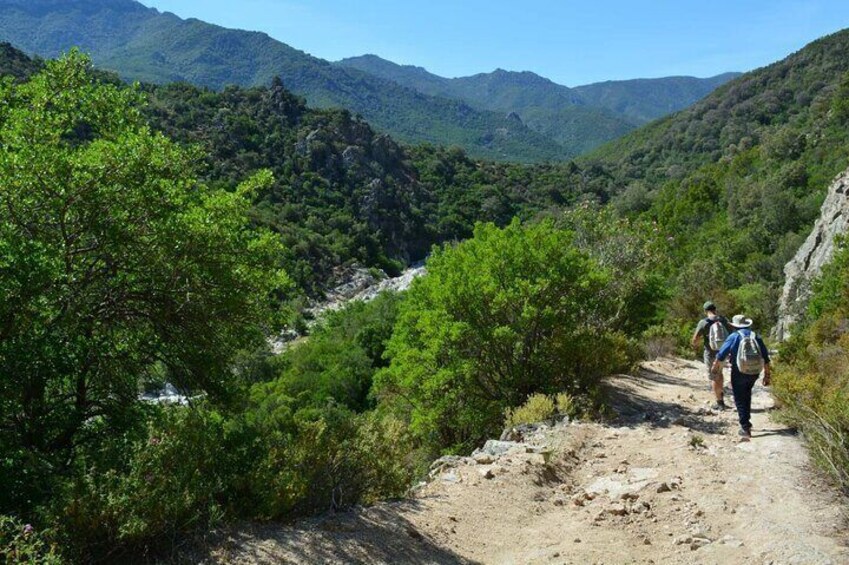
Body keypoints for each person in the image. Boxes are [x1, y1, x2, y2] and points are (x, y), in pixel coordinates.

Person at [712, 315, 771, 441]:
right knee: (747, 394)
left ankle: (745, 428)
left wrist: (715, 368)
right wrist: (767, 375)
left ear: (734, 326)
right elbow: (766, 357)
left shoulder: (734, 336)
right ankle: (747, 423)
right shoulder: (756, 336)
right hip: (754, 372)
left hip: (739, 371)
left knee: (739, 397)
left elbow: (721, 354)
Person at [691, 301, 730, 410]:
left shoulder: (703, 322)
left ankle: (719, 403)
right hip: (723, 353)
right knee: (720, 374)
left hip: (710, 353)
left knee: (713, 377)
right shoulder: (723, 319)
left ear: (705, 311)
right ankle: (721, 399)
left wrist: (695, 346)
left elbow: (695, 339)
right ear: (715, 309)